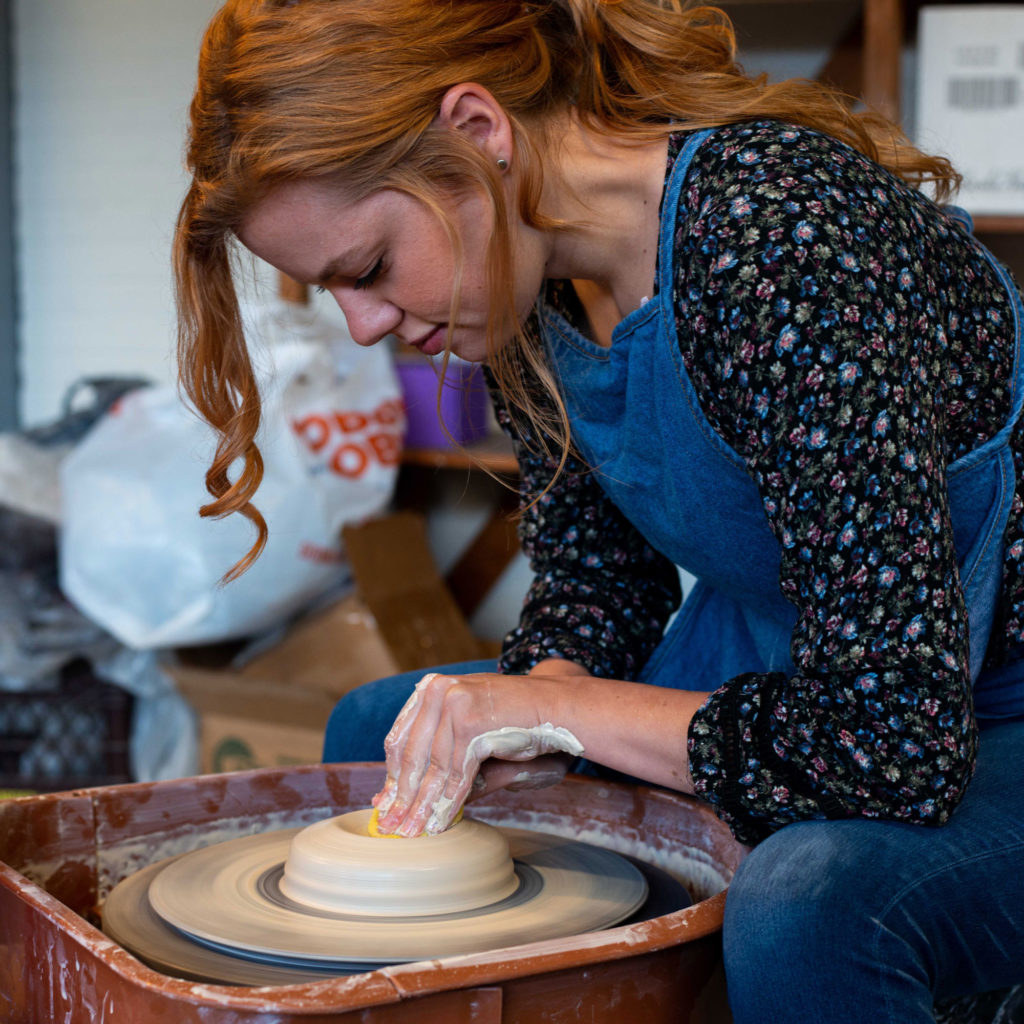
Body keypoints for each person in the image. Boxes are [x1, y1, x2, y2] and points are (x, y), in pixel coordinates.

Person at [173, 1, 1024, 1021]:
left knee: (808, 900)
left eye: (367, 269)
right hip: (800, 663)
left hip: (967, 706)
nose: (363, 328)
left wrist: (558, 710)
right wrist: (542, 692)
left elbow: (892, 744)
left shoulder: (780, 232)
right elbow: (596, 590)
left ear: (478, 134)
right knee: (380, 727)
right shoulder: (530, 288)